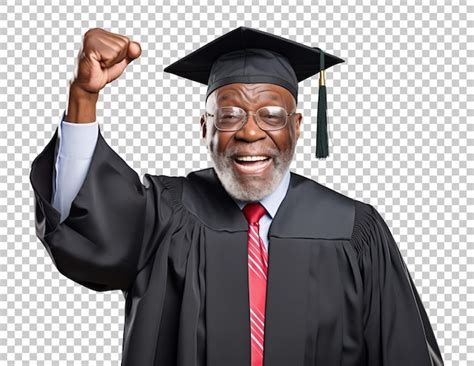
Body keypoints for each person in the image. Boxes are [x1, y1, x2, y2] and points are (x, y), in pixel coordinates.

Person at [29, 26, 444, 365]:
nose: (249, 132)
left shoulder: (356, 230)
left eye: (271, 115)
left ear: (297, 126)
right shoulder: (164, 215)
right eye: (228, 115)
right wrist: (83, 98)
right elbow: (86, 223)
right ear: (204, 127)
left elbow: (402, 351)